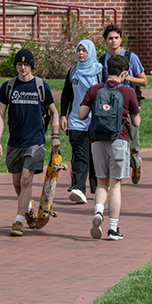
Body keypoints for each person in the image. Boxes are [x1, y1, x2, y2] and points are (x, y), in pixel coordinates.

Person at [0, 48, 60, 237]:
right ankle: (29, 207)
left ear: (31, 66)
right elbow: (0, 114)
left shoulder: (41, 86)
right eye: (19, 64)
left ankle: (18, 220)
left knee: (25, 179)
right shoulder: (8, 86)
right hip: (15, 141)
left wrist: (55, 135)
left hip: (35, 140)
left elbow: (54, 111)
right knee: (16, 183)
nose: (22, 68)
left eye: (26, 64)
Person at [78, 54, 140, 240]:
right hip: (118, 141)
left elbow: (81, 114)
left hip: (97, 141)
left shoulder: (94, 89)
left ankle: (98, 212)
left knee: (101, 181)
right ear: (124, 73)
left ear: (106, 70)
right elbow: (136, 122)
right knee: (116, 185)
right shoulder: (128, 92)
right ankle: (113, 229)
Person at [100, 24, 147, 184]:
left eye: (116, 38)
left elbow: (144, 81)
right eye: (110, 38)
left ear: (120, 39)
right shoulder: (102, 60)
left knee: (133, 143)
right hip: (109, 107)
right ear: (106, 41)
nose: (113, 41)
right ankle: (114, 175)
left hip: (129, 105)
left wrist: (127, 78)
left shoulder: (130, 57)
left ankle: (136, 163)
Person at [60, 39, 103, 204]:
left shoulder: (100, 71)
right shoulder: (73, 72)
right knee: (80, 155)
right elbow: (66, 95)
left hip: (96, 121)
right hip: (76, 121)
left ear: (90, 52)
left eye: (84, 50)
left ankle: (96, 187)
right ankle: (78, 188)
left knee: (94, 156)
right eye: (79, 50)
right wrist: (63, 115)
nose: (81, 53)